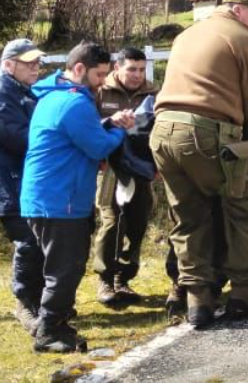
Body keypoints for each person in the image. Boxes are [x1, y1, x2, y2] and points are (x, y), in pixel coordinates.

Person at [151, 0, 248, 329]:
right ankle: (245, 293)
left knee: (189, 216)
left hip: (163, 131)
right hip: (208, 132)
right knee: (244, 209)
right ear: (236, 10)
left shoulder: (186, 35)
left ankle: (198, 299)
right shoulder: (244, 39)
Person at [22, 42, 133, 353]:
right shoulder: (74, 103)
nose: (103, 82)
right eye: (99, 75)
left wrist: (108, 124)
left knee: (59, 266)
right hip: (61, 200)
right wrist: (121, 130)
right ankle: (49, 331)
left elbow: (80, 134)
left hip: (48, 197)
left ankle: (53, 323)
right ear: (80, 68)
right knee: (65, 269)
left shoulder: (55, 96)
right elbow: (98, 147)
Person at [0, 38, 46, 335]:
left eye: (37, 62)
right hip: (3, 175)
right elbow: (18, 137)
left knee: (39, 235)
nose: (36, 67)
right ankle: (26, 304)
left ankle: (42, 301)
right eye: (29, 63)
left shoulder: (19, 87)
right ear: (8, 64)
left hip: (18, 172)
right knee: (28, 239)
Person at [92, 47, 158, 308]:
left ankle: (123, 278)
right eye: (131, 69)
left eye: (141, 69)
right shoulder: (99, 91)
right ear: (117, 68)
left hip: (140, 167)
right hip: (110, 167)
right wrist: (111, 121)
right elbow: (86, 126)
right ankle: (105, 279)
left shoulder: (154, 93)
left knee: (138, 222)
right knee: (112, 221)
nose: (137, 75)